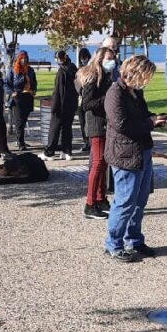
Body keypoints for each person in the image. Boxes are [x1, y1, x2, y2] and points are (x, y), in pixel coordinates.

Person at [103, 55, 167, 261]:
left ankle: (134, 239)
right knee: (125, 202)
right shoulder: (115, 94)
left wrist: (156, 118)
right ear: (134, 73)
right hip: (125, 154)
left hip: (142, 150)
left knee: (140, 200)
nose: (147, 81)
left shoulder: (135, 92)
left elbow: (141, 115)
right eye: (145, 76)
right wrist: (150, 124)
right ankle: (113, 244)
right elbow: (122, 125)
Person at [78, 46, 115, 219]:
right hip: (96, 125)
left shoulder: (106, 76)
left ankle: (100, 198)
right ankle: (90, 204)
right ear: (99, 59)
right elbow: (86, 104)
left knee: (103, 163)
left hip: (106, 125)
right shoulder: (92, 76)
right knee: (97, 163)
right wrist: (107, 96)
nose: (111, 61)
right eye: (108, 58)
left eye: (113, 57)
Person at [42, 50, 79, 161]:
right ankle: (67, 151)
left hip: (61, 105)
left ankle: (50, 152)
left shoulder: (61, 72)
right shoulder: (73, 68)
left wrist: (54, 106)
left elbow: (58, 91)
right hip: (71, 104)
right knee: (67, 129)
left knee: (54, 129)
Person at [8, 51, 38, 151]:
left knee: (24, 120)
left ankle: (21, 140)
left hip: (28, 96)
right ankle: (20, 142)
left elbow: (34, 82)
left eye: (25, 58)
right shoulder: (13, 70)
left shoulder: (30, 70)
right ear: (18, 59)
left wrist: (34, 90)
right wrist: (12, 92)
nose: (24, 60)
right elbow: (6, 83)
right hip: (18, 97)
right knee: (19, 121)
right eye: (22, 58)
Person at [75, 47, 92, 154]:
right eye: (82, 58)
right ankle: (86, 142)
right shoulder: (79, 70)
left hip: (88, 98)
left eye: (85, 58)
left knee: (89, 122)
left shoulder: (91, 69)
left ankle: (90, 142)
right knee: (82, 122)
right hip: (80, 99)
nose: (83, 60)